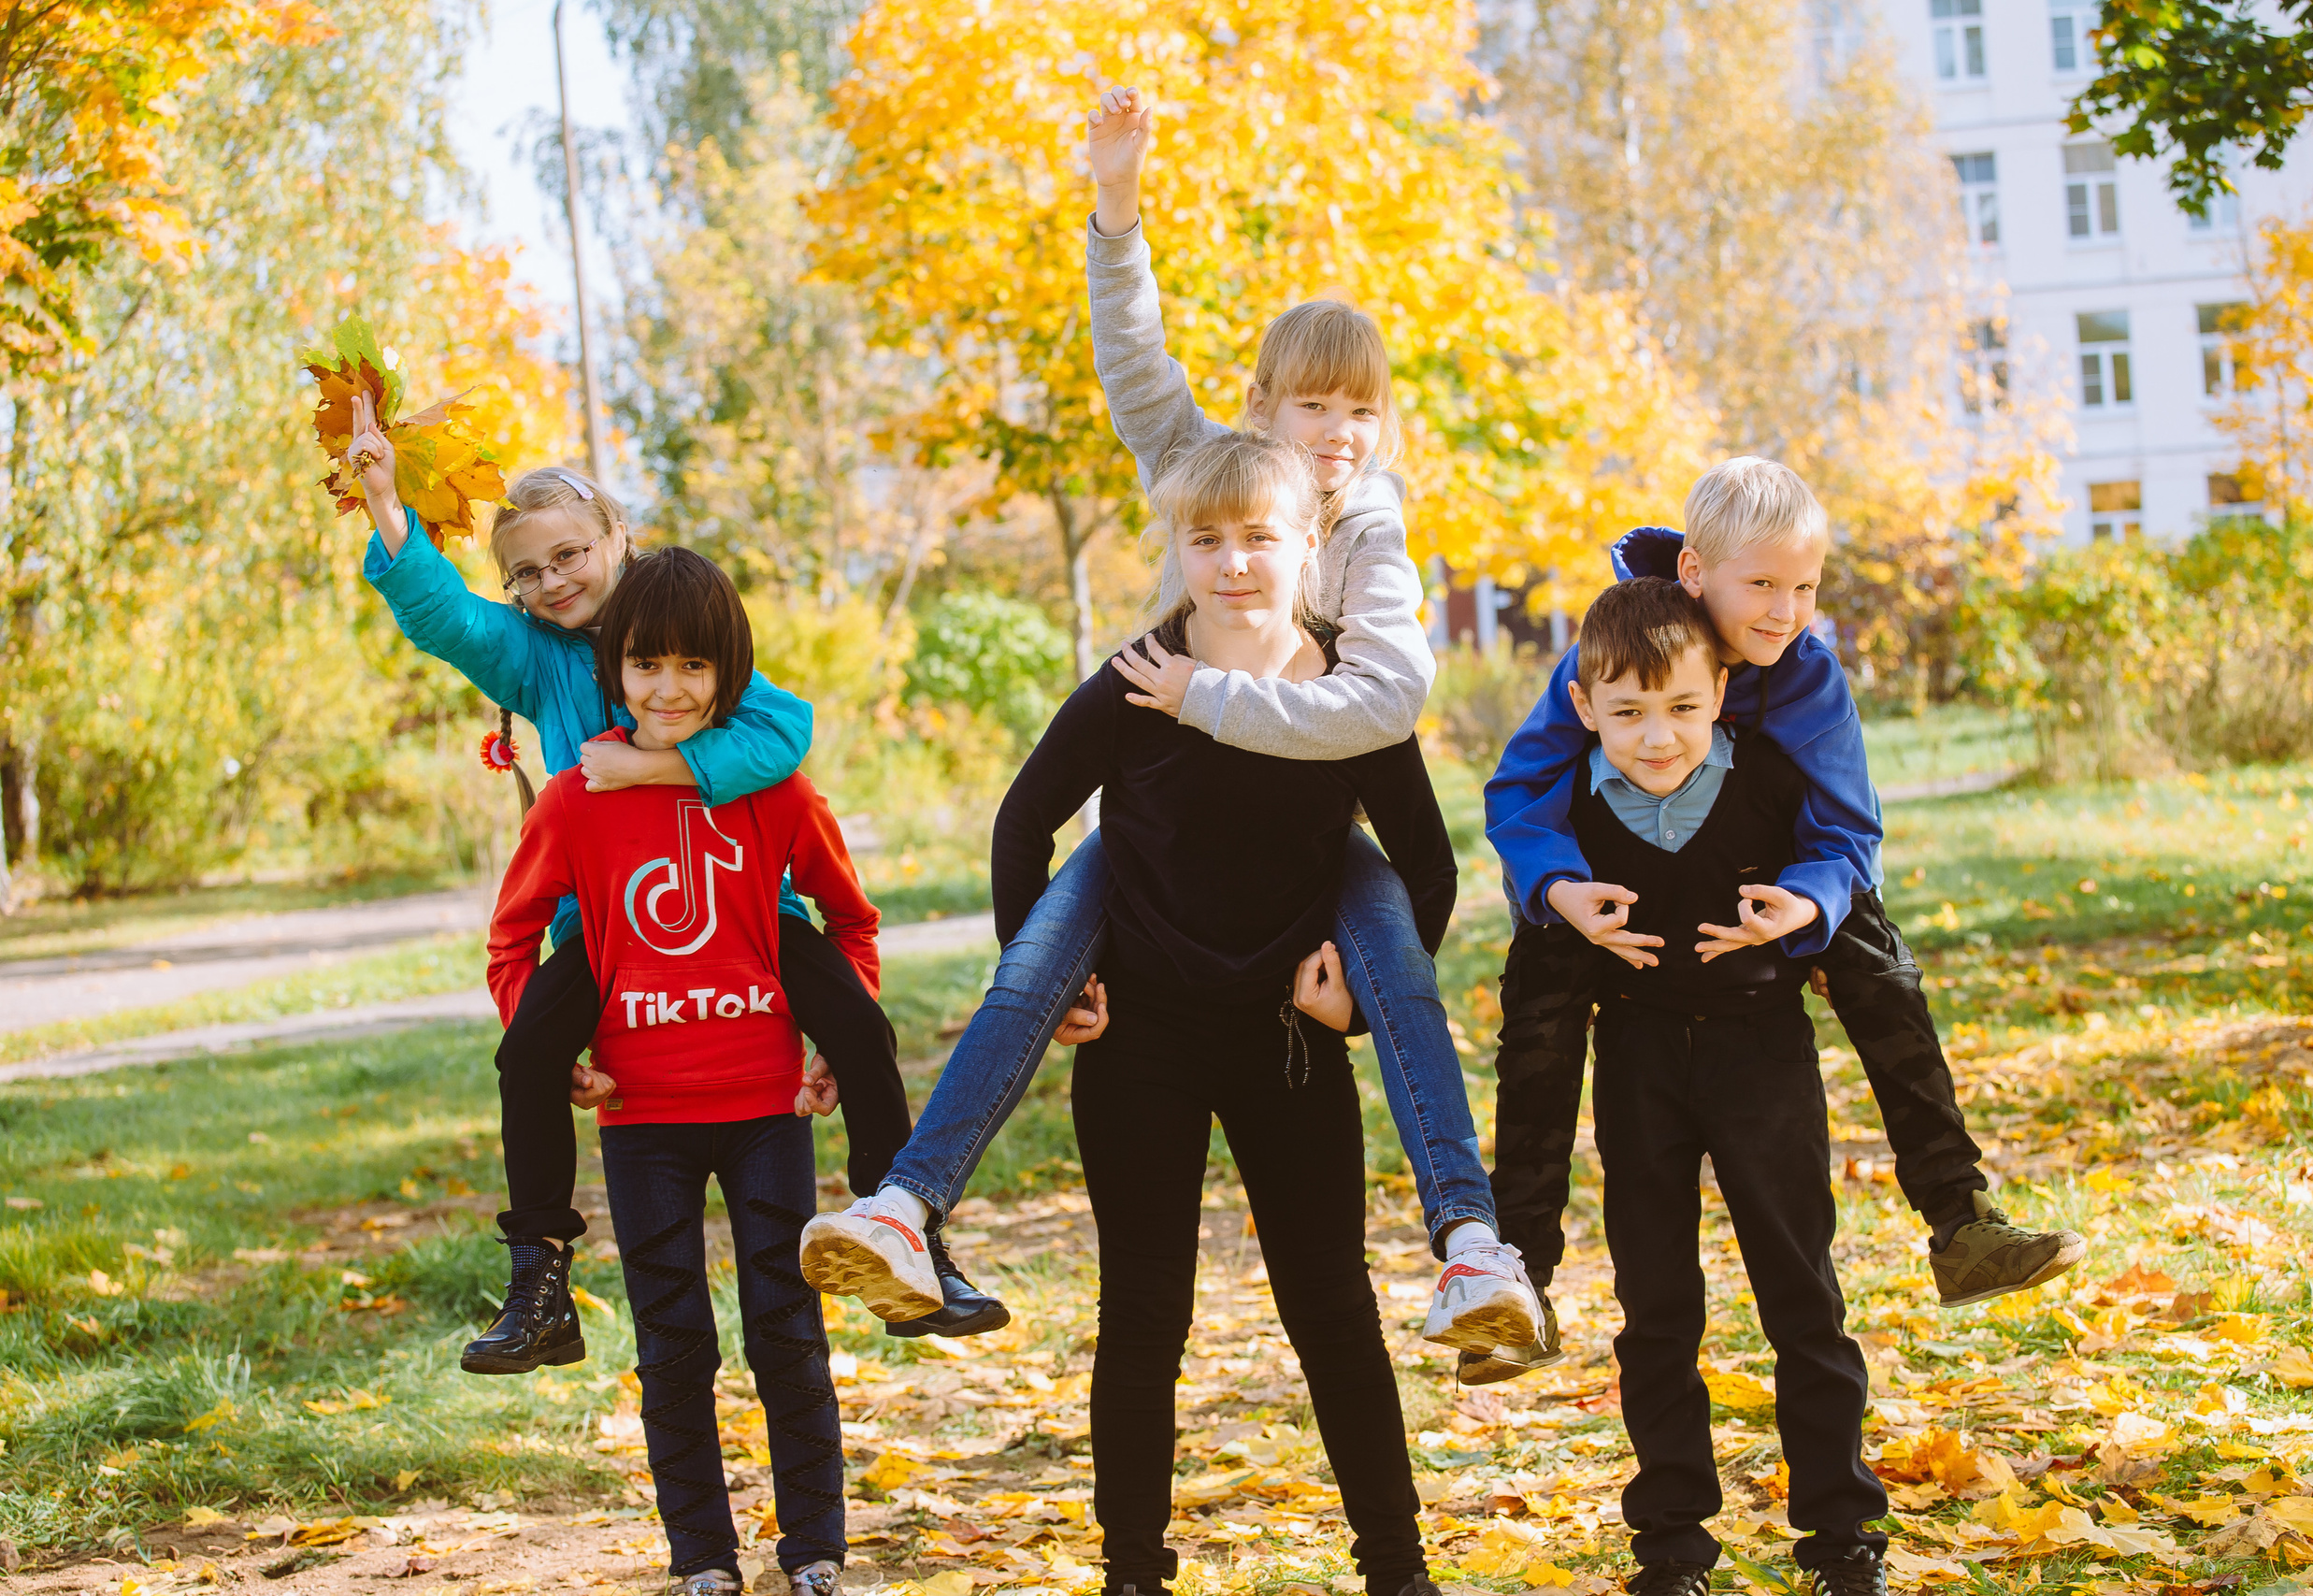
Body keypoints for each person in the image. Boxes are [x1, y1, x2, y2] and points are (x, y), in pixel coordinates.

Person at [796, 83, 1542, 1358]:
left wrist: (1208, 694)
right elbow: (1135, 365)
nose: (1340, 433)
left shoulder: (1371, 534)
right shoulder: (1205, 470)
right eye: (1313, 406)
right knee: (1032, 963)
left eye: (1362, 408)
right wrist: (1119, 204)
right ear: (1264, 409)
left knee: (1402, 973)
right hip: (1157, 823)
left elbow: (1388, 702)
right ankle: (911, 1203)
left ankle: (1472, 1245)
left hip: (1310, 829)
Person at [898, 434, 1446, 1596]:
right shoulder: (1138, 680)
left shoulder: (1349, 690)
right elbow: (1021, 822)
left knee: (1331, 1306)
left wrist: (1354, 1007)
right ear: (1178, 550)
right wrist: (1053, 988)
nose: (1234, 563)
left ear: (1310, 543)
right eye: (1207, 540)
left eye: (1259, 538)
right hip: (1142, 1039)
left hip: (1288, 1046)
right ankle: (1133, 1570)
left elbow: (1429, 865)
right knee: (1145, 1312)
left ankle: (1397, 1568)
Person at [343, 399, 984, 1371]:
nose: (551, 580)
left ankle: (911, 1238)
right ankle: (540, 1278)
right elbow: (439, 614)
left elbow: (783, 734)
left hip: (747, 908)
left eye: (569, 554)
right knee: (524, 1058)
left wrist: (647, 768)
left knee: (857, 1026)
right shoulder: (536, 659)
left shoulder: (690, 629)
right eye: (526, 572)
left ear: (617, 538)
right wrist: (387, 502)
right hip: (602, 925)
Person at [1484, 459, 2083, 1339]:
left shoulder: (1808, 674)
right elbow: (1520, 789)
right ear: (1694, 572)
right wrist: (1559, 887)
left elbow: (1850, 834)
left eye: (1804, 586)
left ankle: (1961, 1218)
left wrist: (1808, 902)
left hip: (1763, 883)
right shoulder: (1618, 649)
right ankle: (1518, 1276)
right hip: (1607, 887)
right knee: (1539, 995)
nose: (1782, 610)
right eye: (1761, 583)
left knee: (1874, 948)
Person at [1498, 573, 1889, 1596]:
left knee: (1802, 1295)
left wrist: (1796, 906)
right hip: (1636, 1064)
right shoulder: (1572, 803)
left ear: (1720, 690)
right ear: (1583, 710)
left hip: (1762, 1055)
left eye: (1679, 707)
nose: (1657, 735)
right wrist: (1563, 898)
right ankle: (1670, 1545)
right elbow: (1517, 843)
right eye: (1625, 713)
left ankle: (1840, 1536)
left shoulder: (1766, 776)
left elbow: (1839, 860)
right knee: (1657, 1309)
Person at [486, 546, 860, 1596]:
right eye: (645, 666)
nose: (668, 689)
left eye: (694, 667)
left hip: (763, 1108)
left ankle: (816, 1552)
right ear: (614, 674)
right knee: (675, 1342)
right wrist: (551, 1050)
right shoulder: (572, 800)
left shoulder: (776, 792)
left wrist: (836, 1034)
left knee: (786, 1328)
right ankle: (702, 1559)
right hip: (640, 1121)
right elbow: (512, 944)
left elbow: (850, 919)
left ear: (728, 674)